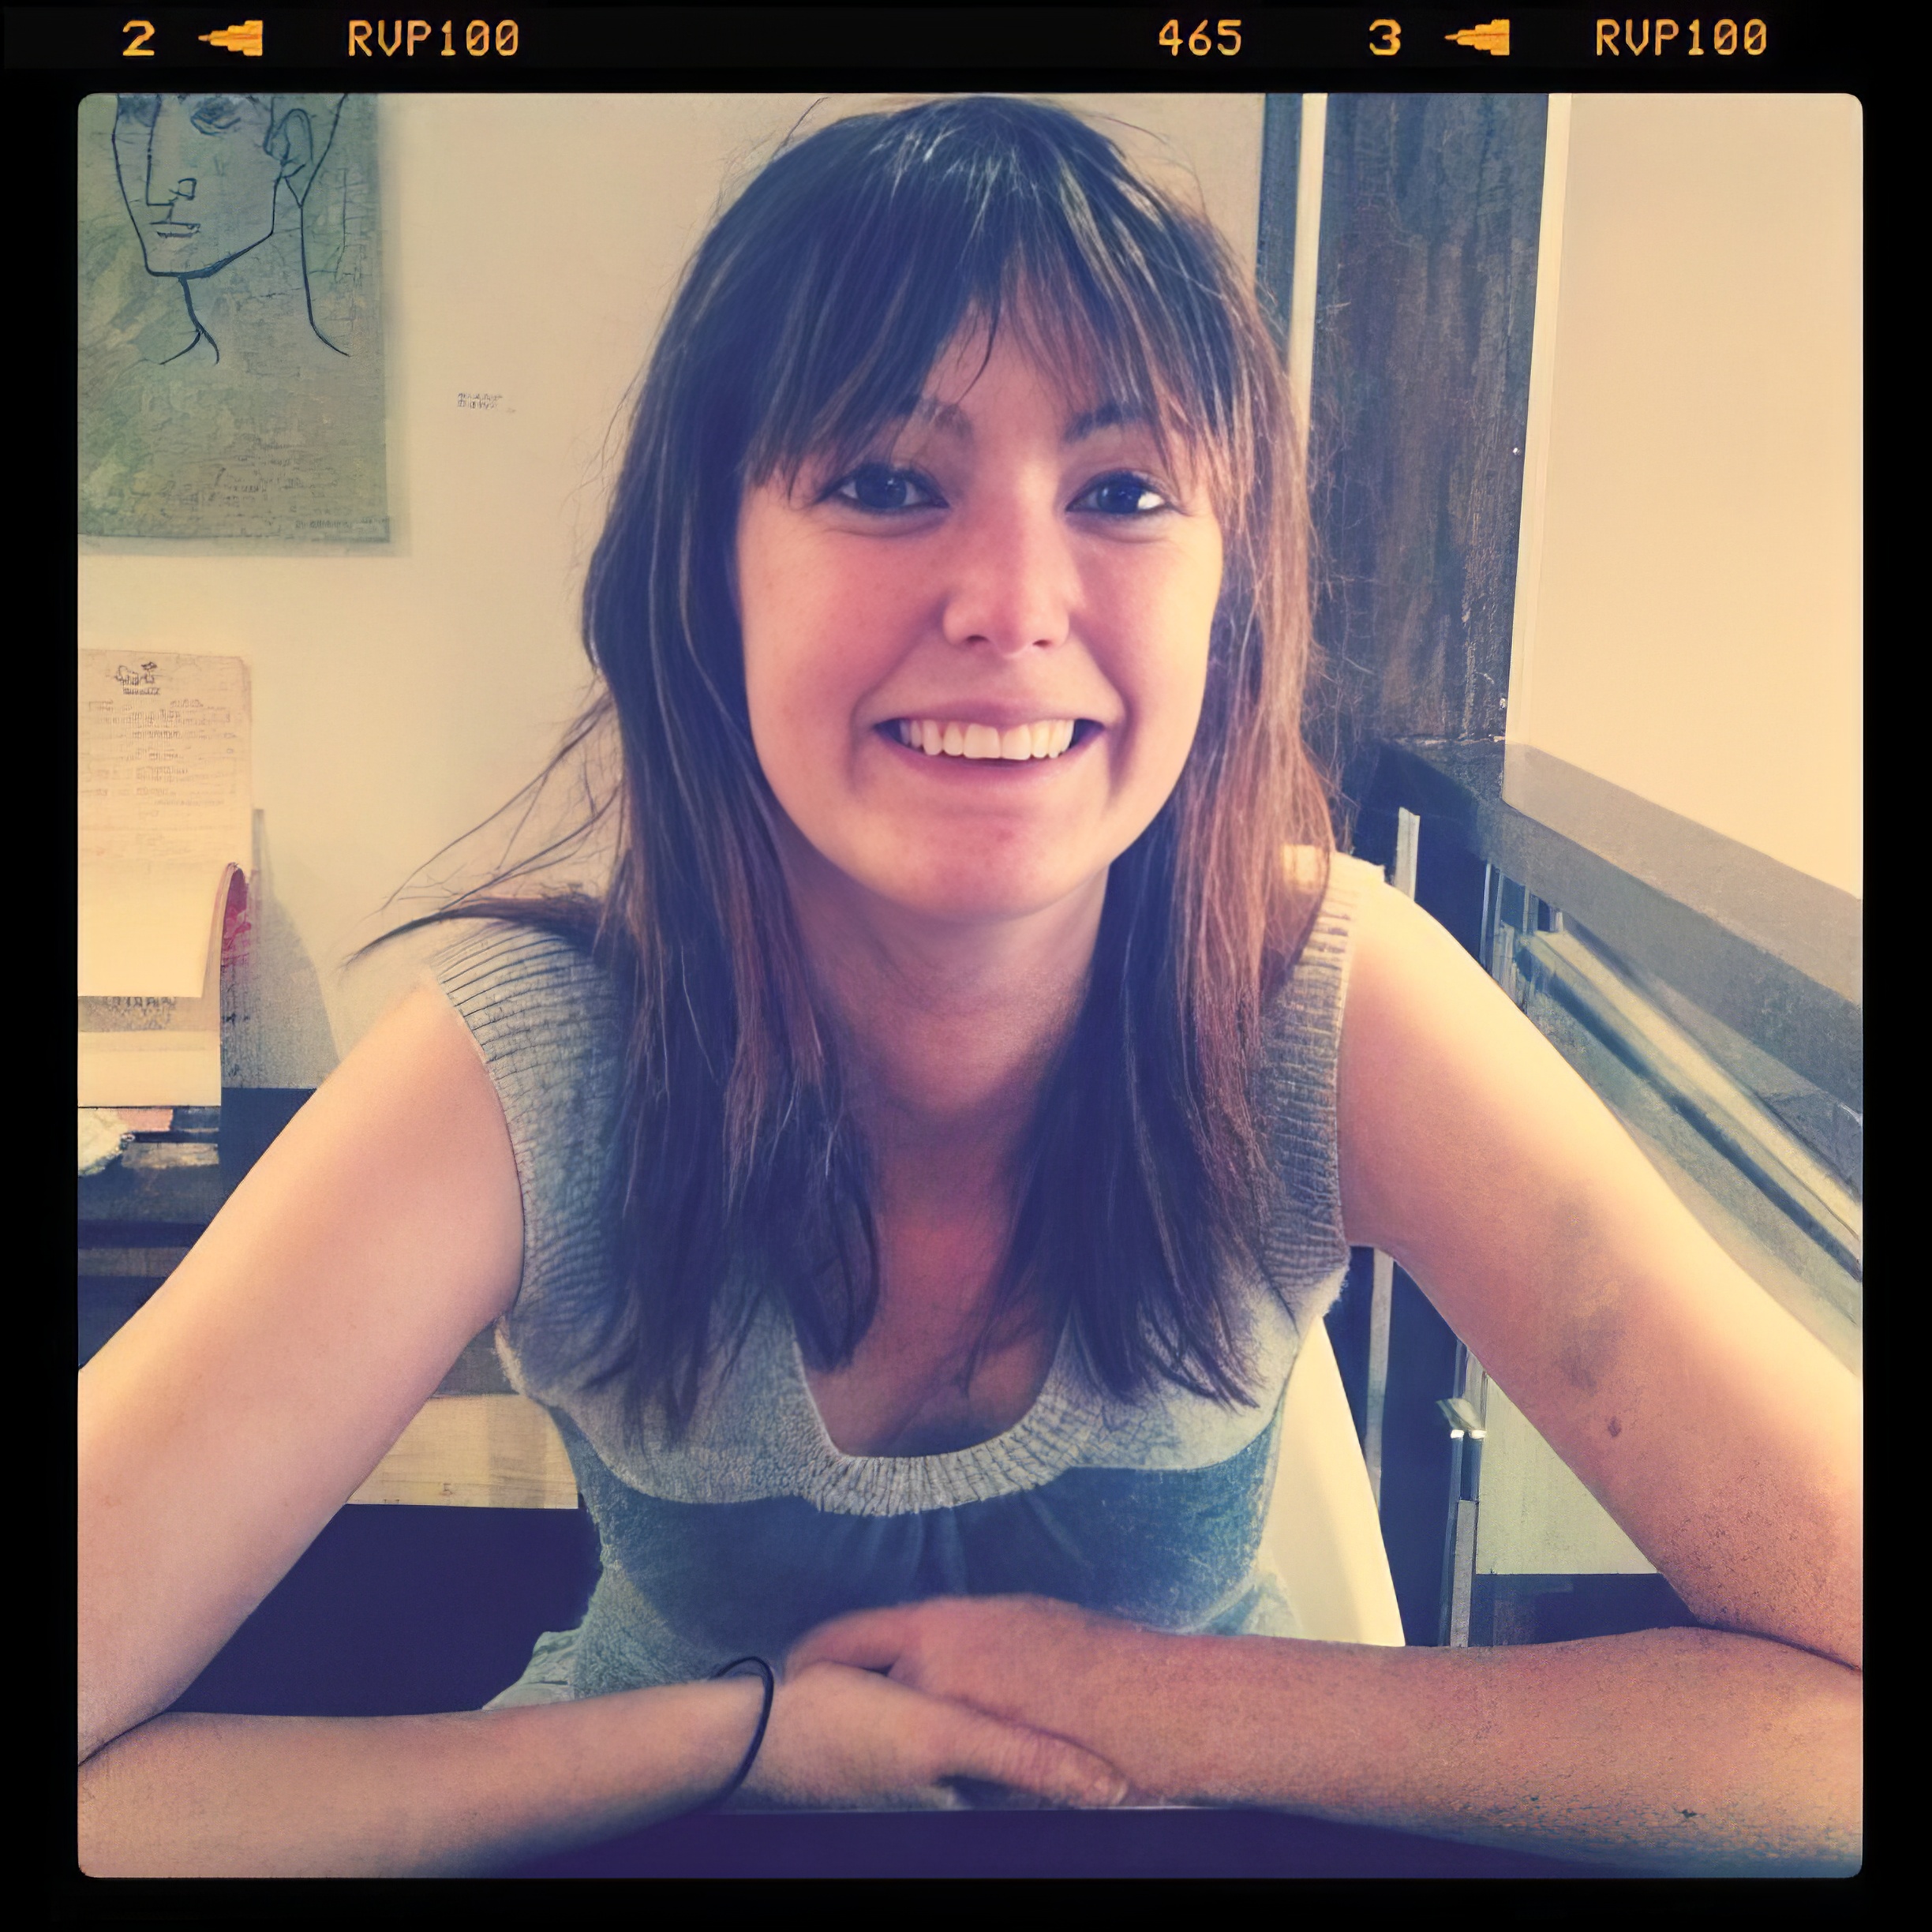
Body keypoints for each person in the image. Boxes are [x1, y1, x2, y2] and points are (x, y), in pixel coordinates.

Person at [77, 96, 1860, 1878]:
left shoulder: (1326, 999)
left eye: (1124, 492)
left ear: (1227, 591)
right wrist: (743, 1733)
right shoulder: (533, 1053)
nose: (1014, 602)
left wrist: (1131, 1696)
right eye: (883, 482)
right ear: (708, 572)